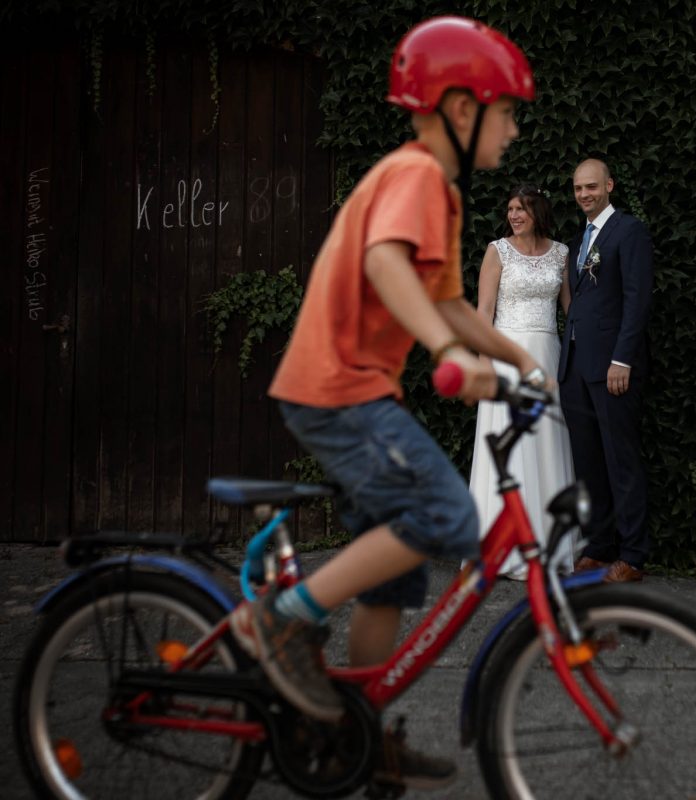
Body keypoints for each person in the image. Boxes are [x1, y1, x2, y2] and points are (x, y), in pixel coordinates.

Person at [228, 16, 545, 792]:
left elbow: (450, 303)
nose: (512, 130)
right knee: (444, 517)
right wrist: (445, 355)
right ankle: (277, 619)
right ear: (461, 110)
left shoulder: (440, 193)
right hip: (337, 390)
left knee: (392, 576)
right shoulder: (416, 176)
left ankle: (350, 733)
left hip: (352, 391)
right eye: (506, 113)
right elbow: (386, 263)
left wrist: (515, 357)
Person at [469, 185, 577, 579]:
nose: (514, 215)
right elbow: (484, 309)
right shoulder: (497, 251)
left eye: (522, 209)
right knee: (509, 446)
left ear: (538, 211)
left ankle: (550, 542)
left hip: (548, 357)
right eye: (511, 208)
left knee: (546, 441)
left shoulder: (562, 254)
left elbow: (571, 310)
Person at [558, 158, 653, 583]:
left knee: (621, 462)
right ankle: (599, 547)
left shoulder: (628, 231)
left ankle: (632, 555)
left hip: (612, 367)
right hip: (576, 367)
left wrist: (623, 359)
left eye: (592, 187)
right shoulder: (579, 239)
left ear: (610, 185)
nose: (584, 195)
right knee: (588, 463)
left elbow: (637, 300)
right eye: (579, 189)